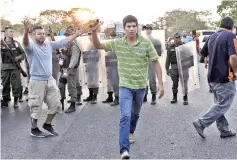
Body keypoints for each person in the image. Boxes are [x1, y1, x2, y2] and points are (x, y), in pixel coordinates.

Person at [90, 15, 164, 159]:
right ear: (124, 29)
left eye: (133, 26)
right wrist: (93, 32)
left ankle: (131, 131)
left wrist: (160, 84)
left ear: (137, 28)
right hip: (125, 86)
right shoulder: (118, 43)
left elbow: (156, 62)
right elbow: (98, 46)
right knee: (125, 116)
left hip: (141, 86)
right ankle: (124, 150)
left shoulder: (146, 44)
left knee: (135, 114)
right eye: (128, 27)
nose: (131, 29)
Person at [22, 20, 85, 137]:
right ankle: (34, 129)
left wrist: (76, 35)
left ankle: (47, 124)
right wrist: (26, 31)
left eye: (43, 33)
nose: (42, 35)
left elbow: (63, 42)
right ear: (33, 35)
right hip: (37, 81)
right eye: (39, 33)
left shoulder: (49, 45)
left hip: (50, 80)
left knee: (56, 103)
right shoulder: (30, 47)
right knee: (36, 106)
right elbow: (25, 42)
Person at [193, 17, 237, 139]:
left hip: (212, 76)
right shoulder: (230, 36)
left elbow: (203, 53)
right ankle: (201, 122)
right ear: (231, 26)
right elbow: (233, 57)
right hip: (224, 76)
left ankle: (224, 129)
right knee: (223, 104)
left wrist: (209, 59)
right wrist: (236, 72)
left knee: (219, 103)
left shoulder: (212, 36)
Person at [58, 26, 83, 113]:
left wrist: (69, 69)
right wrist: (60, 66)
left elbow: (74, 59)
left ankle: (73, 104)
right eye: (66, 35)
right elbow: (62, 56)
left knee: (71, 87)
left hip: (70, 70)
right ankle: (61, 102)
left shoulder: (74, 46)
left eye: (69, 35)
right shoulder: (66, 45)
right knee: (61, 86)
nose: (67, 36)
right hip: (64, 68)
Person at [1, 26, 25, 108]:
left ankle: (16, 100)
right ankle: (5, 99)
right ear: (6, 33)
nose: (12, 33)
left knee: (16, 84)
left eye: (12, 31)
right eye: (10, 31)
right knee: (5, 84)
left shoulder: (16, 43)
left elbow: (23, 54)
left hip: (15, 67)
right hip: (4, 67)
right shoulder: (1, 43)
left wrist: (17, 58)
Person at [166, 33, 189, 105]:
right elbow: (168, 59)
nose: (177, 39)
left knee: (184, 82)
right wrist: (167, 68)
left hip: (183, 65)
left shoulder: (184, 45)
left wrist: (188, 66)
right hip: (174, 65)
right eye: (176, 37)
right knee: (175, 83)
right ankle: (174, 97)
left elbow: (189, 55)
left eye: (179, 37)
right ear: (174, 38)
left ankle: (185, 98)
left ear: (180, 37)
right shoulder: (170, 47)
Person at [143, 24, 163, 105]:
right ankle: (144, 96)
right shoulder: (141, 40)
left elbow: (159, 53)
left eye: (149, 29)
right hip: (143, 61)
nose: (147, 30)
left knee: (152, 79)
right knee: (143, 79)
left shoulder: (155, 41)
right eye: (146, 29)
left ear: (151, 30)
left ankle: (153, 96)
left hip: (151, 61)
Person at [103, 31, 120, 106]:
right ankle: (113, 97)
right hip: (111, 64)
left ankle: (117, 97)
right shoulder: (112, 43)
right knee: (112, 81)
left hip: (113, 64)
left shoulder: (115, 43)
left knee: (115, 82)